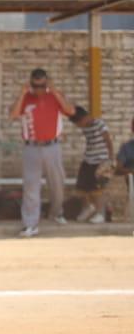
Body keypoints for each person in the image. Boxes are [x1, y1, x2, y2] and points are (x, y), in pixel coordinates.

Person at [10, 68, 72, 237]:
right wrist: (22, 94)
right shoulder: (25, 99)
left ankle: (56, 212)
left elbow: (70, 111)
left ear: (47, 83)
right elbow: (13, 114)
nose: (38, 89)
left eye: (42, 85)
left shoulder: (54, 96)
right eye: (35, 86)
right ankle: (30, 223)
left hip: (53, 146)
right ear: (30, 84)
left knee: (57, 182)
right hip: (31, 147)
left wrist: (55, 91)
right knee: (31, 186)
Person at [69, 106, 115, 224]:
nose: (79, 126)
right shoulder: (85, 128)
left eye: (79, 123)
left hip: (101, 159)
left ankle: (100, 213)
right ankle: (88, 207)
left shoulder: (99, 124)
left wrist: (110, 159)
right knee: (81, 186)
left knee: (97, 188)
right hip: (88, 159)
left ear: (85, 118)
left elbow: (108, 140)